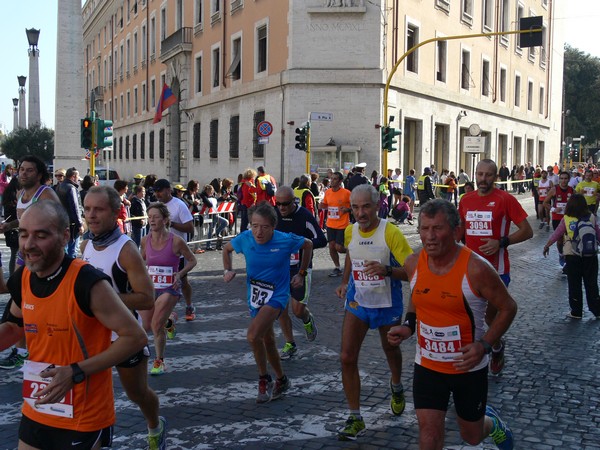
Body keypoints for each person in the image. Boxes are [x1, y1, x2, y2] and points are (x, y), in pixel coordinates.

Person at [0, 200, 147, 449]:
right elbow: (14, 328)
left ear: (64, 235)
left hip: (84, 415)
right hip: (38, 404)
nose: (29, 245)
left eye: (41, 235)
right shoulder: (24, 276)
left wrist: (76, 371)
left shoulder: (86, 281)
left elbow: (135, 337)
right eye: (24, 234)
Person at [387, 199, 517, 450]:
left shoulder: (477, 268)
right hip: (428, 365)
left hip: (467, 369)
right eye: (424, 229)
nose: (430, 236)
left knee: (472, 435)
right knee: (429, 434)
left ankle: (492, 425)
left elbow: (508, 307)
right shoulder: (413, 263)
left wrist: (486, 345)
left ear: (456, 231)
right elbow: (418, 293)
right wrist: (408, 326)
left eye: (438, 228)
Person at [81, 186, 167, 449]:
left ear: (116, 212)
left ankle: (155, 425)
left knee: (136, 393)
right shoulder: (85, 243)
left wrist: (104, 300)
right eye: (87, 209)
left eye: (99, 209)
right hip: (92, 335)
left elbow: (146, 298)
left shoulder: (126, 250)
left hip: (124, 337)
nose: (91, 215)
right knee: (91, 394)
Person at [335, 184, 413, 441]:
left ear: (377, 204)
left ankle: (397, 385)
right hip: (358, 302)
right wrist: (345, 281)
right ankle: (355, 418)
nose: (360, 213)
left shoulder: (390, 233)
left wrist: (387, 270)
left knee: (390, 349)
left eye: (365, 206)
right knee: (347, 356)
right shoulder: (350, 230)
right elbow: (351, 256)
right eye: (355, 207)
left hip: (387, 304)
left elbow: (414, 271)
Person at [222, 202, 313, 403]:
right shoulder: (245, 239)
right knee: (268, 340)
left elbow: (308, 244)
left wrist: (301, 272)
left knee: (253, 335)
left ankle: (264, 378)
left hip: (277, 295)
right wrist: (227, 269)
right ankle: (282, 379)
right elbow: (226, 249)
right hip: (255, 296)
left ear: (273, 226)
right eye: (254, 225)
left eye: (264, 227)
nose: (258, 231)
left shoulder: (285, 240)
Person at [458, 159, 533, 375]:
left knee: (491, 317)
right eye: (479, 174)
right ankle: (472, 361)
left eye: (488, 175)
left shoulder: (505, 199)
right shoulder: (466, 200)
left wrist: (501, 242)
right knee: (469, 317)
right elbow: (460, 229)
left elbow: (527, 231)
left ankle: (496, 346)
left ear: (496, 177)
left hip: (497, 271)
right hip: (469, 270)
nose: (483, 179)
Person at [0, 155, 60, 370]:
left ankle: (36, 348)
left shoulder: (47, 194)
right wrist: (9, 226)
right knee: (21, 295)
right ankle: (22, 349)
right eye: (21, 169)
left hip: (41, 255)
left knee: (36, 301)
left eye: (29, 170)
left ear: (40, 174)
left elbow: (58, 222)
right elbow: (24, 219)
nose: (23, 173)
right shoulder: (21, 194)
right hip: (23, 252)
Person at [140, 202, 197, 375]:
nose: (152, 220)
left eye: (156, 217)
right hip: (150, 289)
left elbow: (193, 260)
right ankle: (169, 319)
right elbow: (141, 261)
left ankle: (159, 361)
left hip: (169, 288)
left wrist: (179, 274)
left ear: (165, 220)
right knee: (145, 326)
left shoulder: (176, 241)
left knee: (156, 325)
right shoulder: (144, 240)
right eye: (149, 217)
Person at [274, 186, 327, 360]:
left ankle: (306, 319)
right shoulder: (274, 215)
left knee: (297, 311)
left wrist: (301, 243)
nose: (281, 208)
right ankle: (290, 343)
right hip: (279, 268)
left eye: (285, 204)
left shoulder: (304, 216)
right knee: (280, 309)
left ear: (293, 202)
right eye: (278, 203)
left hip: (300, 268)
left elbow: (321, 239)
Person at [543, 193, 600, 319]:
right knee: (591, 283)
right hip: (590, 254)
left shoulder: (567, 218)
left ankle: (576, 311)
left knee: (574, 284)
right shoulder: (591, 217)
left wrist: (547, 245)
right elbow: (598, 233)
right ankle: (596, 309)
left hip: (572, 255)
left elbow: (557, 233)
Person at [153, 179, 197, 321]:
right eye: (156, 191)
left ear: (168, 190)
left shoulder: (179, 205)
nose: (157, 194)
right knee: (160, 282)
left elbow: (190, 227)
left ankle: (189, 305)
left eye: (160, 191)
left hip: (177, 251)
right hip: (159, 250)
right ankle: (164, 314)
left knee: (182, 281)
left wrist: (172, 224)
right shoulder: (156, 206)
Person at [320, 171, 351, 277]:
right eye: (331, 178)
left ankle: (353, 252)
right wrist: (322, 205)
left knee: (338, 247)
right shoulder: (328, 192)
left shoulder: (346, 193)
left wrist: (348, 209)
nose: (332, 181)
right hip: (330, 224)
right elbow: (326, 204)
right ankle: (337, 268)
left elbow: (355, 205)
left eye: (335, 179)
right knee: (332, 247)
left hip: (342, 224)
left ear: (340, 181)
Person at [542, 171, 574, 269]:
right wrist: (553, 209)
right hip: (557, 218)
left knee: (569, 239)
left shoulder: (572, 190)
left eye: (565, 178)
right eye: (562, 178)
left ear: (568, 179)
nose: (563, 181)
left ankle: (568, 260)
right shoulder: (554, 189)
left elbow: (576, 204)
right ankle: (561, 254)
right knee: (559, 239)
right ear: (559, 179)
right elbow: (545, 203)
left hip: (568, 218)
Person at [56, 167, 84, 259]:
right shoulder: (71, 188)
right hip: (72, 225)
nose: (78, 179)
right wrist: (80, 224)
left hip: (61, 222)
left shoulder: (59, 186)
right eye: (77, 177)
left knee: (64, 250)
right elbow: (75, 207)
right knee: (72, 251)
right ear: (73, 177)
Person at [200, 184, 228, 251]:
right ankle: (208, 245)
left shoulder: (212, 196)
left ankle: (217, 232)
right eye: (210, 191)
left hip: (215, 214)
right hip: (209, 215)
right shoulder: (204, 196)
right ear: (207, 191)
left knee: (225, 222)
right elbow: (209, 204)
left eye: (212, 191)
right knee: (211, 229)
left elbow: (216, 201)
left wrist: (223, 198)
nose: (212, 192)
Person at [2, 176, 20, 275]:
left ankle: (12, 276)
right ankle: (15, 277)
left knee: (14, 253)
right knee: (17, 254)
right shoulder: (17, 196)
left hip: (9, 227)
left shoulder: (7, 193)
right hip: (15, 227)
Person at [130, 184, 148, 249]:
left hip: (144, 225)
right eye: (143, 191)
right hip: (138, 226)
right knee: (138, 243)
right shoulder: (134, 201)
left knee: (143, 243)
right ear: (138, 192)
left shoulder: (142, 201)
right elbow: (131, 214)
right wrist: (139, 220)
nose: (144, 193)